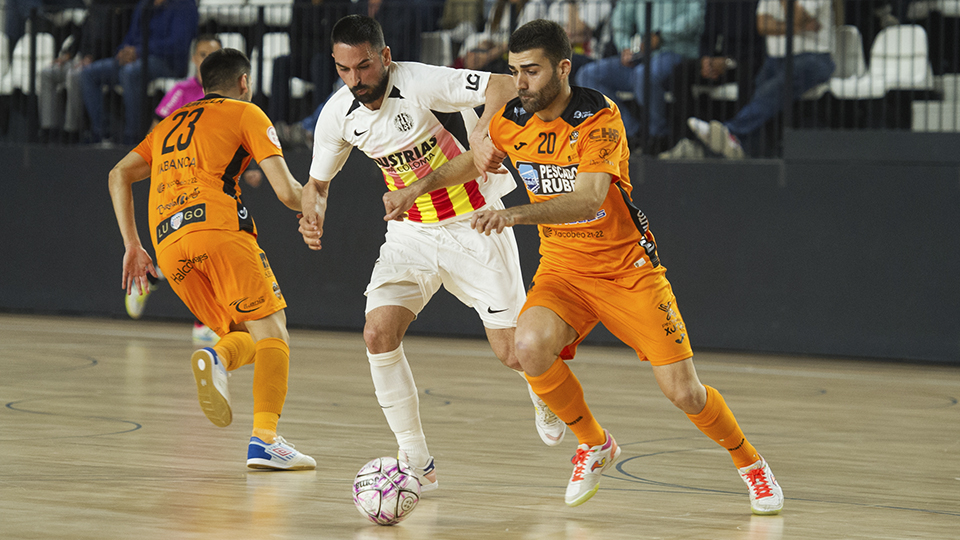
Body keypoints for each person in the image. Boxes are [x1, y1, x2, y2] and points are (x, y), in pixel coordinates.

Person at [397, 18, 783, 513]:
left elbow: (588, 199)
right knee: (528, 346)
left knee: (684, 392)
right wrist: (416, 187)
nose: (520, 84)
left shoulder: (598, 118)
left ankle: (750, 463)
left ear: (563, 67)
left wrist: (512, 213)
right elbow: (474, 162)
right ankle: (595, 443)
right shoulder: (512, 118)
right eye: (514, 72)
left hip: (627, 270)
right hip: (563, 268)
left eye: (531, 72)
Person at [297, 14, 564, 491]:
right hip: (411, 234)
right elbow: (316, 184)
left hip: (475, 223)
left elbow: (503, 84)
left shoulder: (420, 81)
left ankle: (541, 391)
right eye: (343, 70)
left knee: (513, 353)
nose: (355, 80)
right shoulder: (339, 115)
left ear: (385, 57)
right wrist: (311, 212)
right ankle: (417, 460)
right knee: (377, 334)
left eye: (363, 67)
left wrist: (482, 130)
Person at [107, 48, 315, 471]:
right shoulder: (246, 112)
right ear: (244, 82)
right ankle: (265, 439)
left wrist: (132, 244)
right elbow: (288, 192)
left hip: (168, 246)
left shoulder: (167, 125)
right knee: (274, 331)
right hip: (218, 230)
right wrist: (319, 196)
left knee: (248, 335)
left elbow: (118, 174)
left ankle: (218, 357)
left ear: (203, 85)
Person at [123, 34, 222, 344]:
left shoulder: (226, 98)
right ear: (193, 58)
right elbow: (155, 136)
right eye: (203, 53)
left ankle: (152, 280)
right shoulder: (181, 93)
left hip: (212, 185)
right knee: (192, 249)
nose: (207, 59)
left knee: (201, 251)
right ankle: (201, 320)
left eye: (214, 55)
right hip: (176, 187)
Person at [688, 0, 835, 159]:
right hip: (776, 60)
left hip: (814, 58)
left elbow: (796, 17)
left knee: (775, 86)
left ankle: (731, 131)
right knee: (758, 87)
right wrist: (796, 28)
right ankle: (742, 148)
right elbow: (762, 25)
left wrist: (792, 23)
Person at [575, 0, 705, 153]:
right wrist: (625, 47)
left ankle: (658, 135)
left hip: (676, 52)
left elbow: (696, 17)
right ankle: (631, 134)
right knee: (588, 75)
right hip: (641, 55)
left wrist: (661, 35)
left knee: (643, 74)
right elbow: (621, 20)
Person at [658, 0, 765, 159]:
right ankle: (693, 140)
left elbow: (756, 47)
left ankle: (737, 142)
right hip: (714, 63)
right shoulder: (715, 3)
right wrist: (706, 60)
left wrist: (728, 61)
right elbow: (706, 37)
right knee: (680, 72)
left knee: (747, 76)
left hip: (742, 62)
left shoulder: (754, 4)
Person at [80, 0, 198, 144]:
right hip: (136, 59)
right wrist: (123, 51)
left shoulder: (184, 4)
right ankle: (103, 133)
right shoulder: (145, 4)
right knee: (89, 73)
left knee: (130, 73)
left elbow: (178, 43)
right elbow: (131, 36)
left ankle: (133, 136)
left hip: (167, 62)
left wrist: (139, 52)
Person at [37, 0, 128, 144]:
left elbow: (113, 40)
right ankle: (49, 129)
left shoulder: (116, 9)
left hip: (99, 60)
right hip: (78, 59)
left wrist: (92, 57)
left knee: (74, 76)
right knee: (47, 73)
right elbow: (79, 35)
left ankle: (71, 131)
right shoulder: (93, 9)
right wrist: (67, 54)